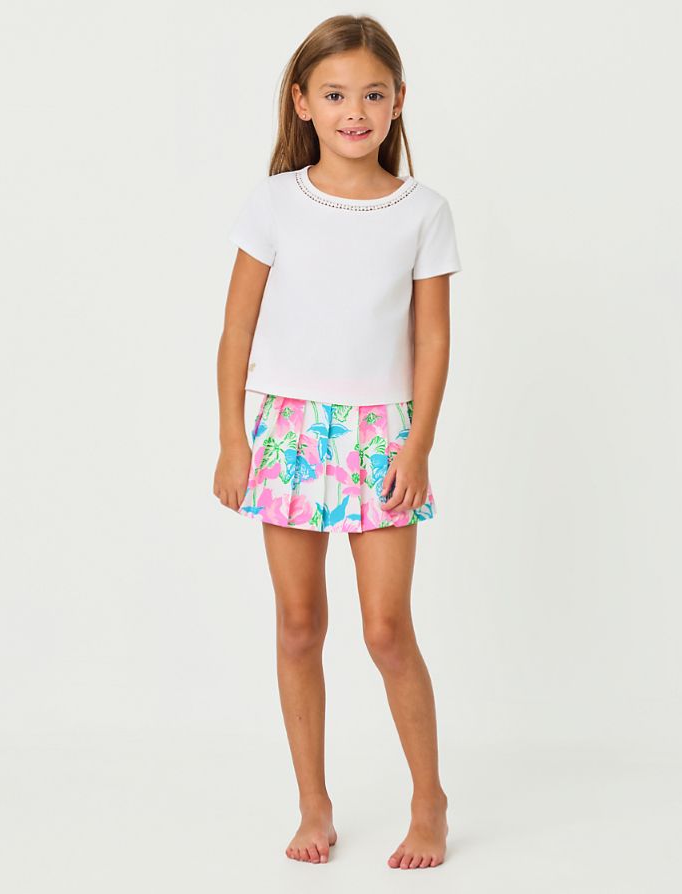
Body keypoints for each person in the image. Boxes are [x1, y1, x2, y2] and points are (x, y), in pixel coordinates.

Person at [213, 13, 461, 871]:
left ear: (398, 103)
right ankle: (313, 802)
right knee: (297, 624)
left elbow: (433, 339)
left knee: (387, 629)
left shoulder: (422, 211)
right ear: (302, 102)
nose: (354, 110)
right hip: (289, 432)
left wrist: (417, 445)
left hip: (382, 437)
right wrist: (232, 440)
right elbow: (236, 330)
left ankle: (428, 801)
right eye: (335, 94)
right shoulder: (274, 202)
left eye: (372, 94)